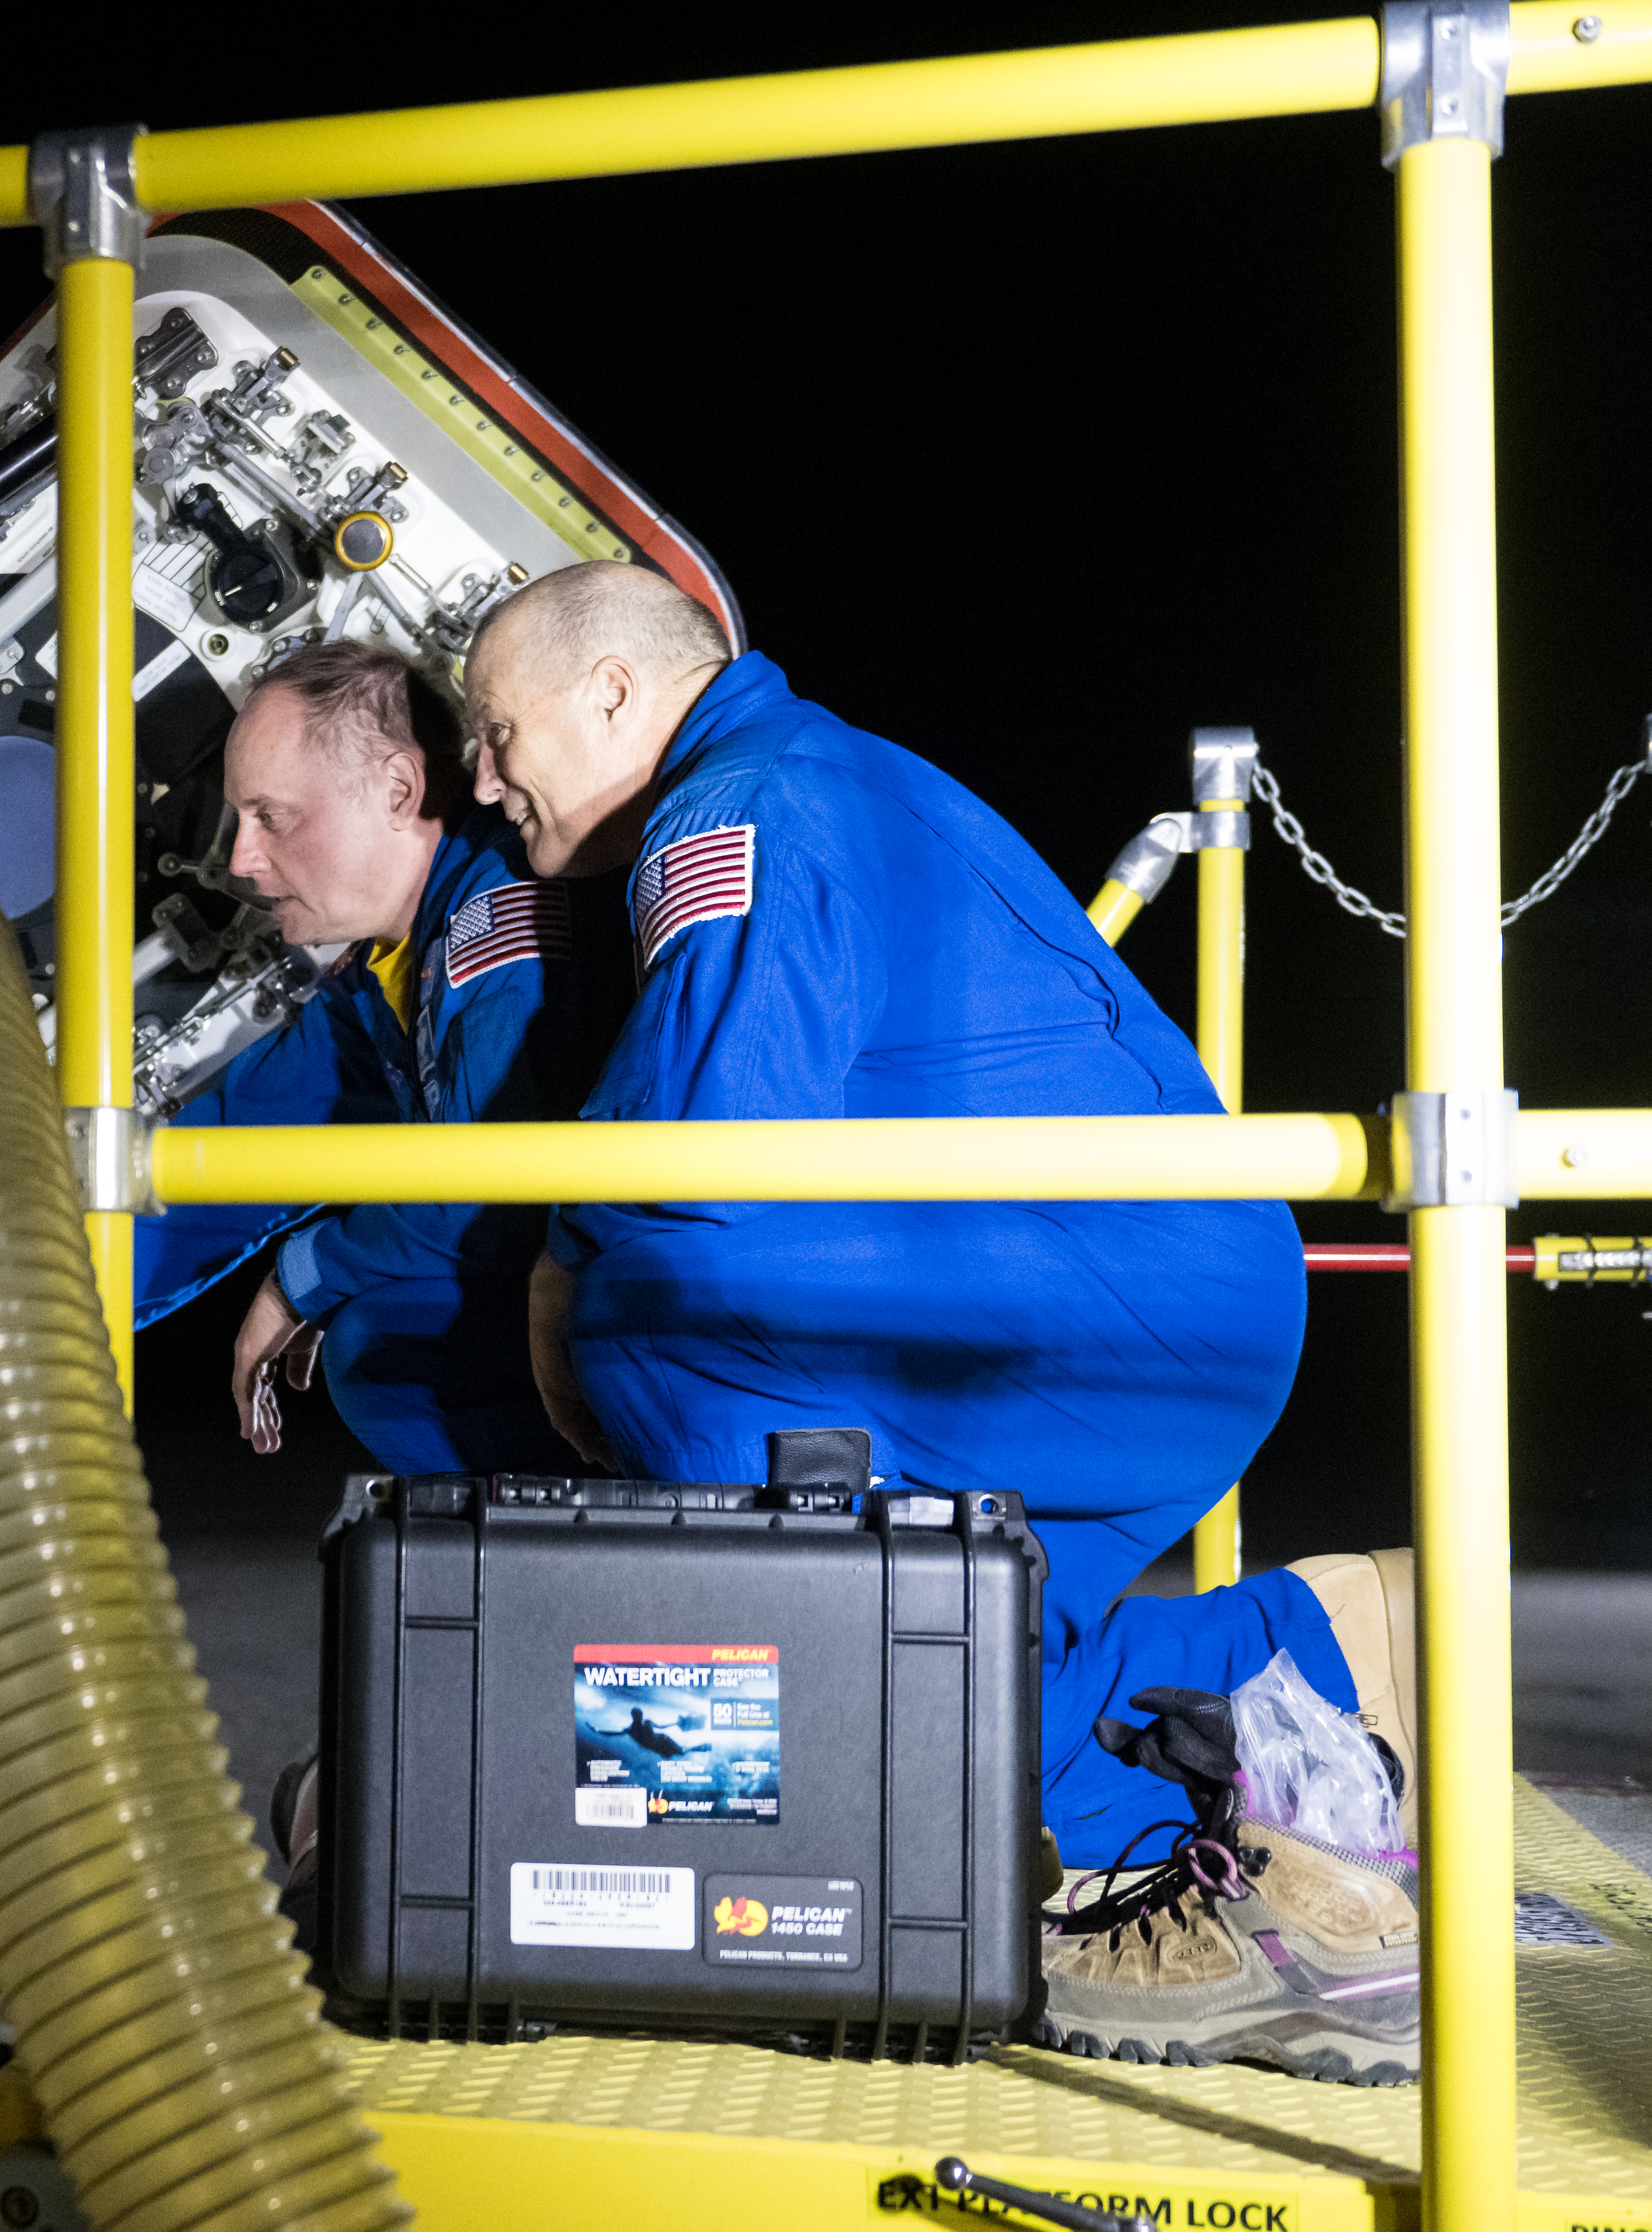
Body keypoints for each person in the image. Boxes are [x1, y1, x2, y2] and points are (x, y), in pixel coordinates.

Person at [469, 560, 1422, 2082]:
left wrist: (553, 1260)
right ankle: (1294, 1666)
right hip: (1149, 1297)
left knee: (647, 1313)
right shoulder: (807, 771)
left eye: (496, 729)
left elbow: (699, 1143)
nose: (482, 776)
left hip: (1095, 1307)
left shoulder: (735, 811)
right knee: (967, 1666)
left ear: (611, 693)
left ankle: (767, 1796)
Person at [132, 639, 619, 1478]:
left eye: (272, 817)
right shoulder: (384, 974)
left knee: (384, 1346)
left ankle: (620, 1562)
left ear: (397, 790)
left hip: (709, 1311)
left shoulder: (499, 927)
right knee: (383, 1338)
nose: (242, 860)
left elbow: (492, 1195)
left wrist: (302, 1275)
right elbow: (213, 1167)